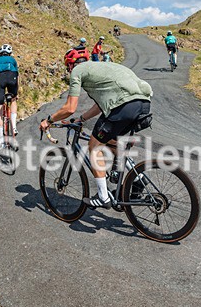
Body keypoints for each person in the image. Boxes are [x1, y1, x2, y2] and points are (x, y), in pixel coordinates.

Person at [39, 59, 153, 209]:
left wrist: (49, 120)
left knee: (94, 146)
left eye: (68, 68)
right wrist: (81, 119)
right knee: (112, 142)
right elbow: (101, 105)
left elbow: (69, 108)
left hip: (123, 106)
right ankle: (138, 178)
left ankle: (102, 197)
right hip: (143, 105)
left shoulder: (77, 71)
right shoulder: (103, 68)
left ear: (71, 65)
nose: (69, 71)